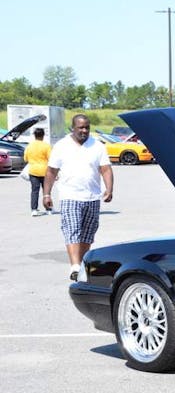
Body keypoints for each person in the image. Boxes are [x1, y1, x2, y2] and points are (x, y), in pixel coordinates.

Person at [43, 114, 114, 281]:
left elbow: (106, 169)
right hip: (70, 195)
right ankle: (74, 266)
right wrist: (46, 194)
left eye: (87, 127)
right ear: (72, 128)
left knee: (87, 233)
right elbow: (51, 171)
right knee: (72, 229)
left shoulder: (97, 146)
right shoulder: (61, 146)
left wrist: (109, 189)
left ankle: (81, 264)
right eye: (81, 127)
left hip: (92, 196)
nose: (84, 130)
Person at [23, 127, 53, 216]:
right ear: (43, 135)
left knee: (34, 191)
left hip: (33, 171)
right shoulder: (46, 146)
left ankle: (34, 209)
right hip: (45, 171)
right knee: (46, 191)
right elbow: (51, 159)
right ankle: (48, 209)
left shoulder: (29, 146)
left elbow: (25, 159)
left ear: (34, 135)